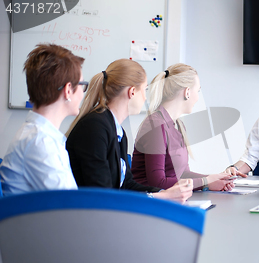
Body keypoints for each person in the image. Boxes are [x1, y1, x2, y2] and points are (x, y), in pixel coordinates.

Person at [65, 59, 192, 202]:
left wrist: (166, 193)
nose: (145, 98)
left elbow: (127, 185)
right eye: (144, 90)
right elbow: (101, 193)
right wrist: (159, 196)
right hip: (89, 215)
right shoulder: (94, 128)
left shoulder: (118, 132)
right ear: (132, 92)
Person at [131, 63, 233, 191]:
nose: (198, 97)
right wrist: (206, 181)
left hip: (170, 199)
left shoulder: (178, 125)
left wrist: (214, 178)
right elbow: (157, 182)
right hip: (148, 203)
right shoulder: (156, 125)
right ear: (187, 92)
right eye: (198, 91)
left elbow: (182, 174)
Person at [0, 44, 85, 195]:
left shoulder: (41, 136)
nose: (83, 93)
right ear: (68, 90)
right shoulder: (40, 142)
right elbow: (69, 206)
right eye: (82, 85)